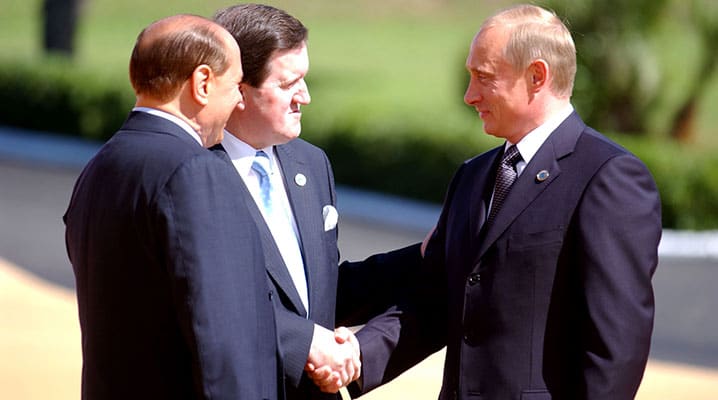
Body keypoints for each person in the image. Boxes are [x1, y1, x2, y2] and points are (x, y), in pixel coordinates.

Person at [334, 4, 663, 400]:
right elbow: (434, 302)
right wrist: (356, 357)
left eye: (483, 77)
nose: (470, 95)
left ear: (537, 76)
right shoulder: (472, 177)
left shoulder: (607, 176)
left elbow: (617, 346)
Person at [211, 4, 422, 399]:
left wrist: (423, 256)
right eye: (289, 83)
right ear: (239, 90)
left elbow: (316, 295)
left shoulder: (309, 162)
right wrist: (304, 341)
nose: (304, 97)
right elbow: (209, 302)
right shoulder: (195, 173)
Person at [64, 15, 279, 399]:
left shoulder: (100, 166)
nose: (239, 99)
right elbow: (222, 337)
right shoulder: (195, 172)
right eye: (235, 85)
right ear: (202, 83)